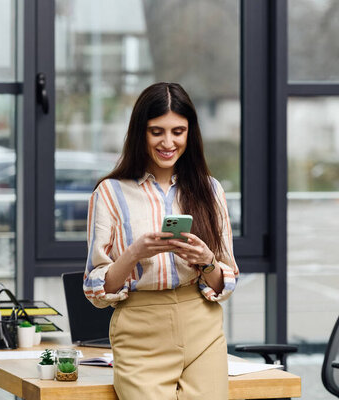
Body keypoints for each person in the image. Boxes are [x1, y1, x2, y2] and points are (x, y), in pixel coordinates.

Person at [83, 82, 239, 400]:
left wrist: (206, 260)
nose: (168, 142)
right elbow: (97, 290)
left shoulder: (211, 190)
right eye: (157, 132)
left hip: (202, 327)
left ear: (189, 134)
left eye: (178, 131)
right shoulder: (110, 193)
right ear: (141, 132)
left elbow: (225, 280)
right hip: (140, 330)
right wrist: (133, 254)